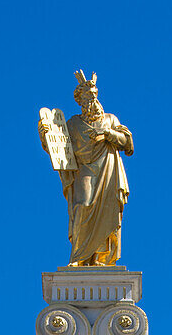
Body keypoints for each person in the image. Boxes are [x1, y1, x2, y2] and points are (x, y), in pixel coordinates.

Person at [39, 71, 133, 266]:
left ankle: (100, 258)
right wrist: (45, 136)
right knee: (82, 206)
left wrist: (107, 133)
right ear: (80, 101)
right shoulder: (73, 124)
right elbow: (61, 151)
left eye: (94, 95)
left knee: (107, 211)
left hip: (107, 169)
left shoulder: (110, 120)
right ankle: (79, 257)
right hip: (85, 171)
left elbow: (127, 143)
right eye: (88, 97)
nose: (93, 100)